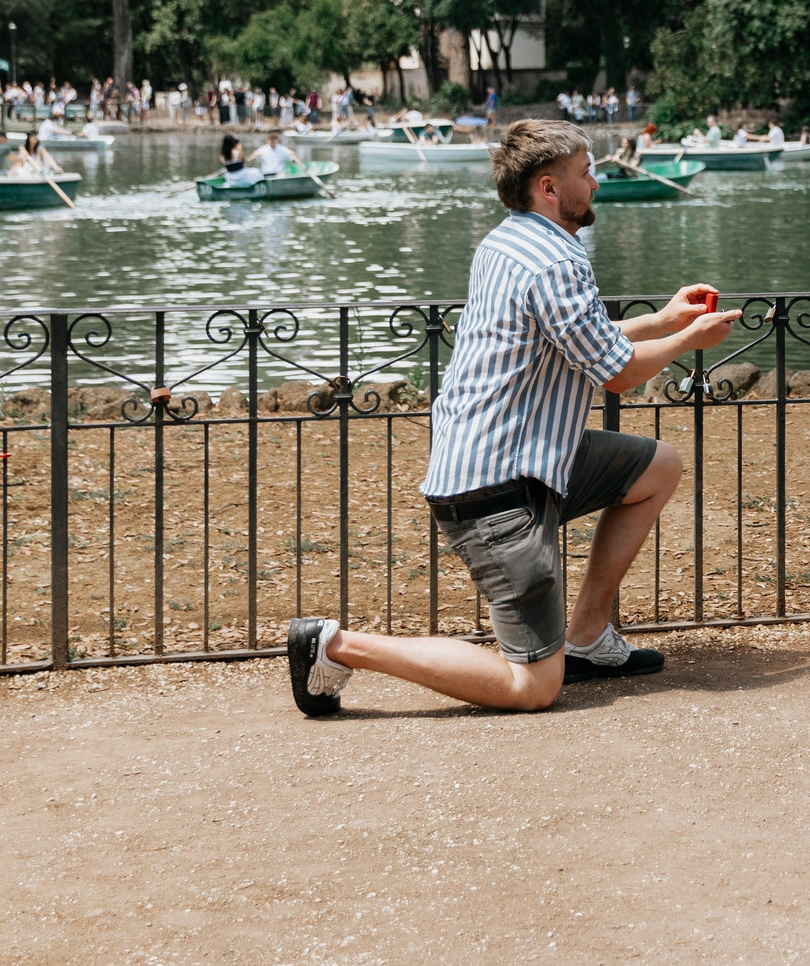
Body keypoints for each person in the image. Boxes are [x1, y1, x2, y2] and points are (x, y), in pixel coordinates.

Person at [285, 120, 741, 715]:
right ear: (549, 187)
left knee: (657, 466)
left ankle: (587, 638)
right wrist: (690, 341)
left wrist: (662, 321)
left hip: (517, 458)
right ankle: (338, 645)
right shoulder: (554, 261)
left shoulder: (507, 242)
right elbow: (619, 374)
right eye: (586, 172)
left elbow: (580, 339)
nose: (597, 183)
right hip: (497, 491)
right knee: (532, 688)